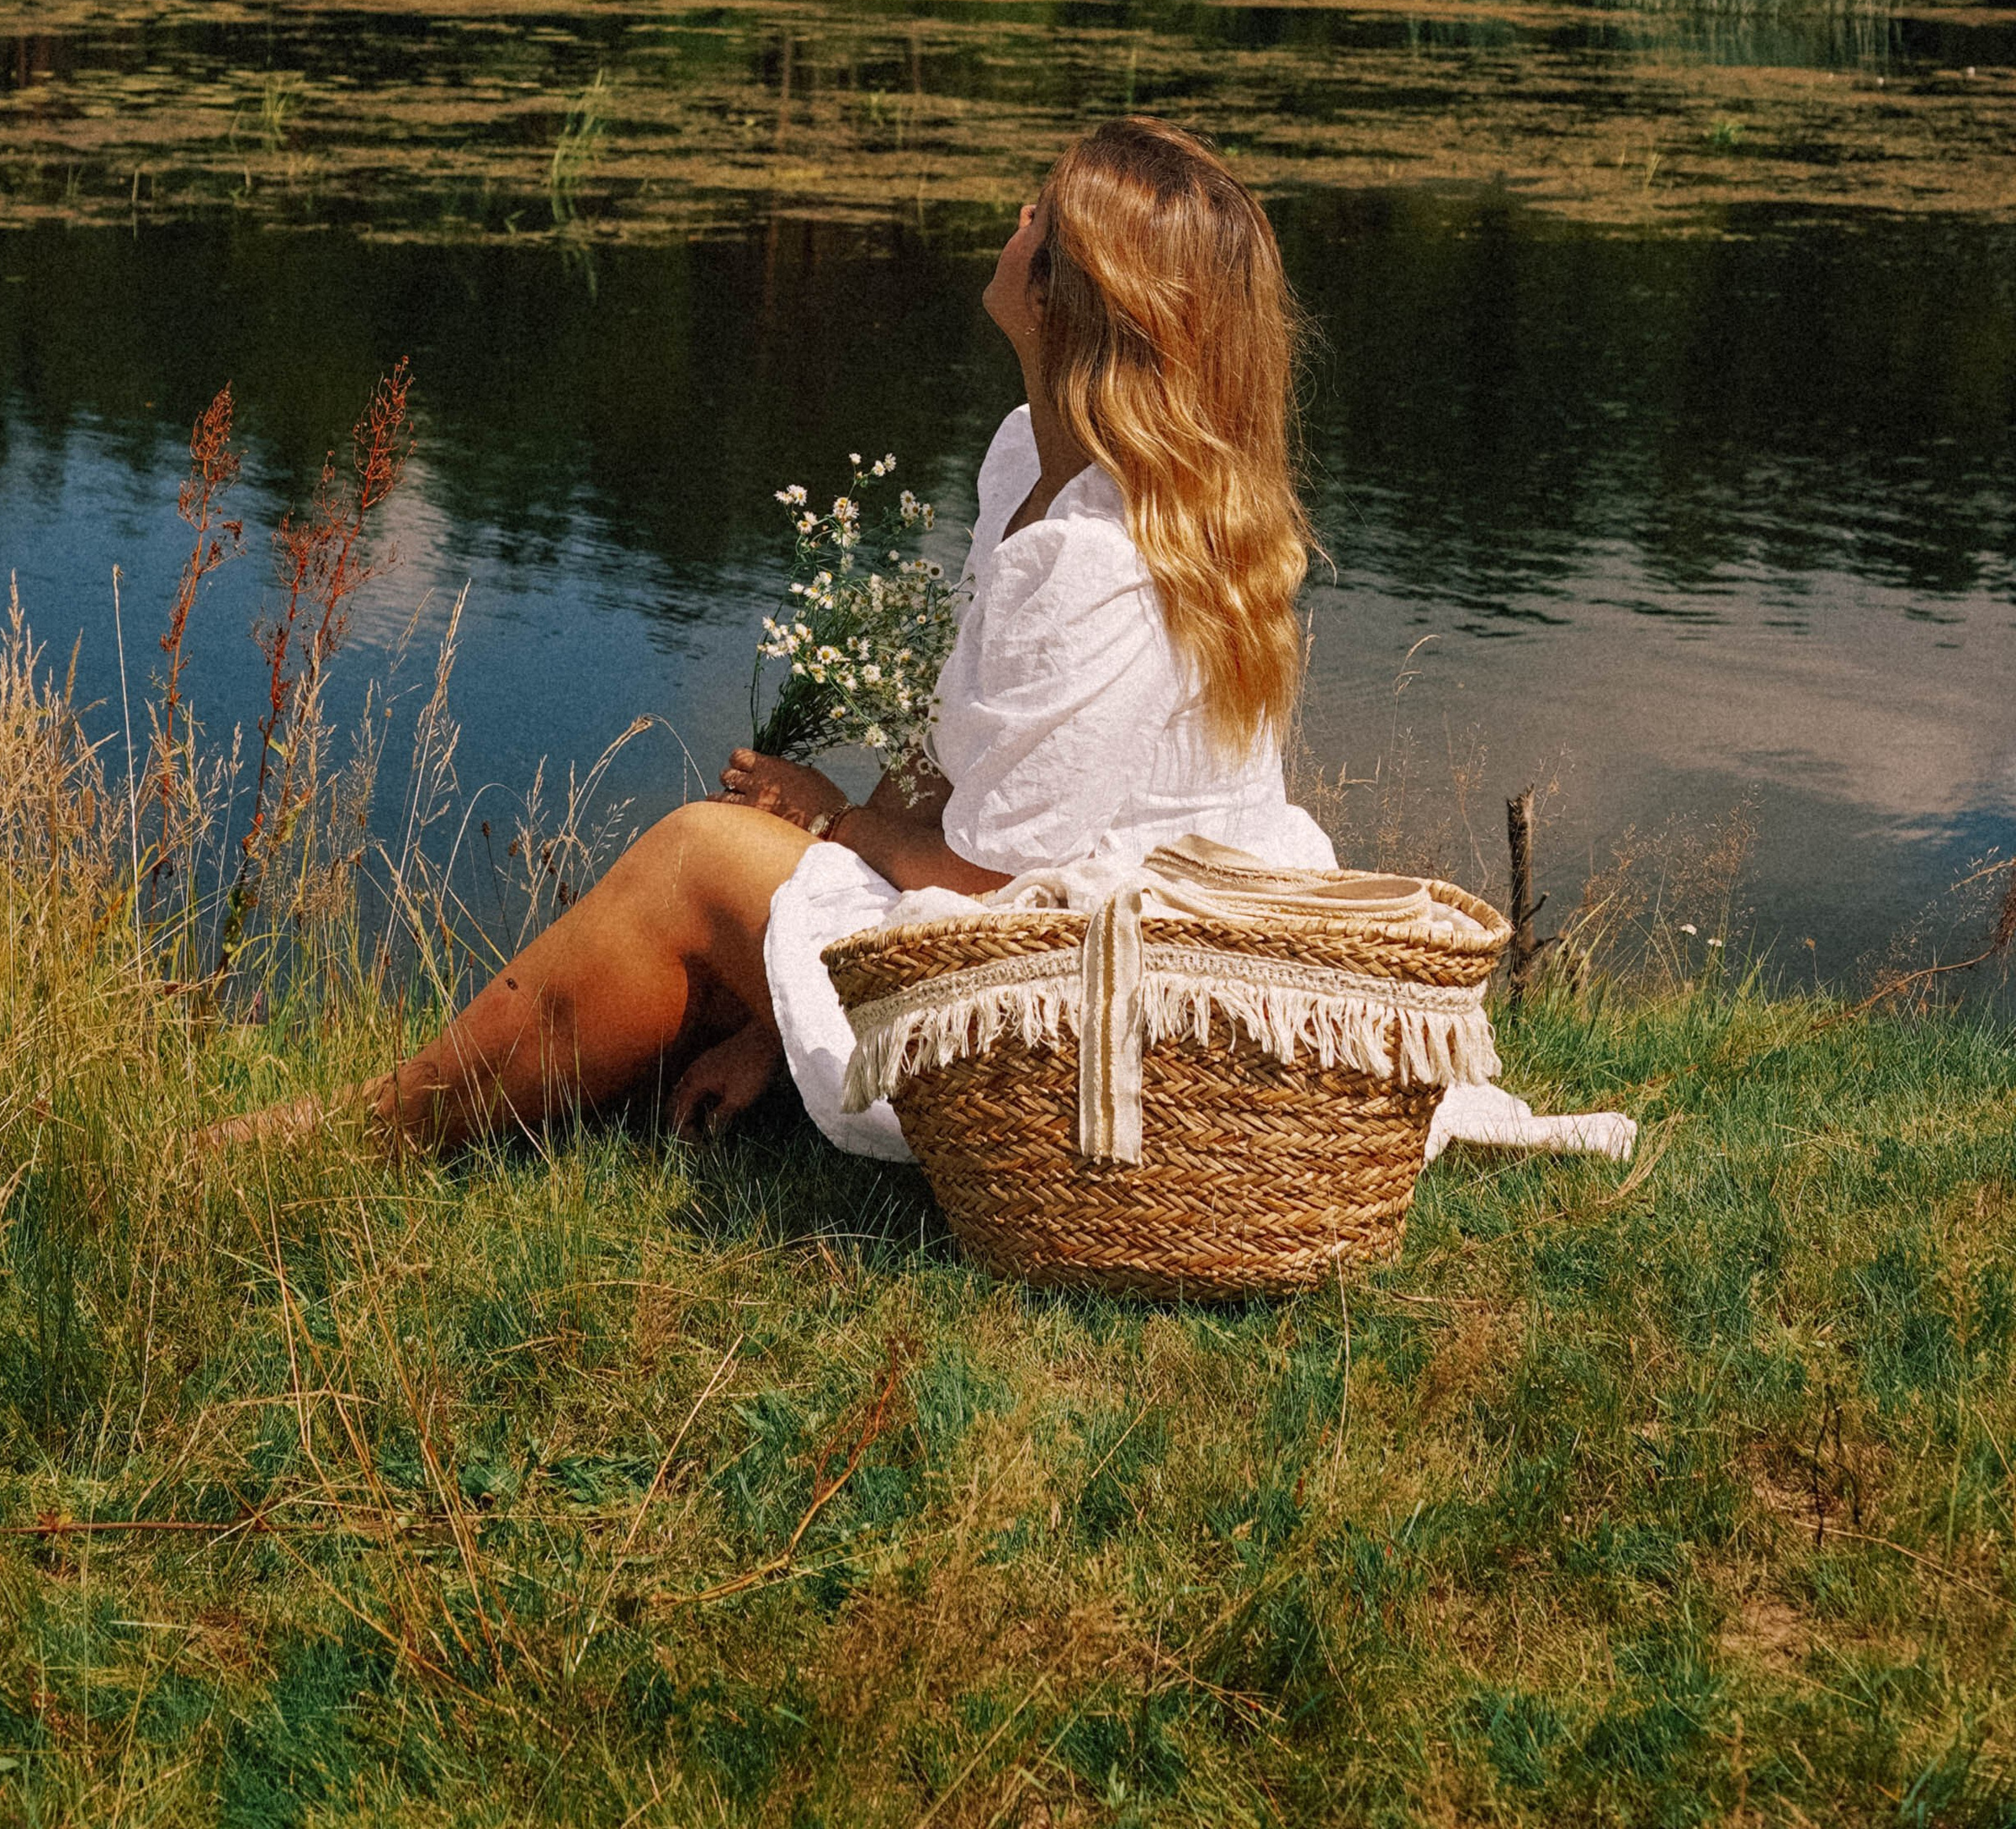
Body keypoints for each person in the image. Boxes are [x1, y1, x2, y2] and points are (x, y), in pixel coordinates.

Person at [226, 117, 1335, 1158]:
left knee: (698, 855)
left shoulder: (1099, 554)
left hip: (1093, 998)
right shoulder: (1037, 468)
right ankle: (493, 1096)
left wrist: (833, 821)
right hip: (1068, 939)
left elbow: (987, 878)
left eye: (1036, 215)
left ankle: (355, 1135)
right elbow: (969, 759)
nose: (1014, 221)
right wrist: (779, 1007)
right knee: (731, 891)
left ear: (1066, 297)